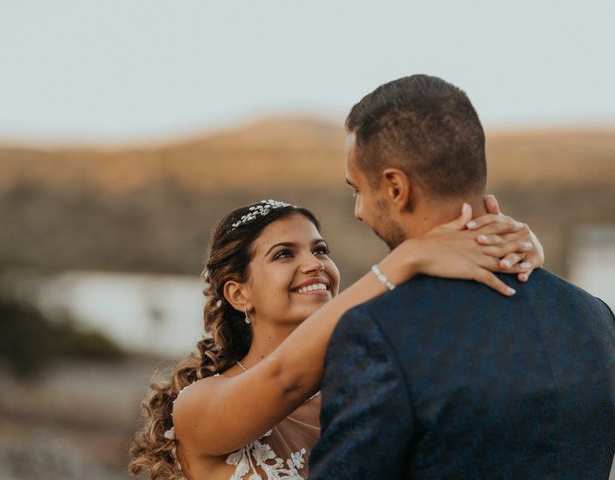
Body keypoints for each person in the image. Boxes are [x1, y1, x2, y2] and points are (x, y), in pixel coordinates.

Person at [308, 74, 615, 479]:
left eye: (358, 190)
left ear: (396, 188)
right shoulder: (595, 317)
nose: (359, 211)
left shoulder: (380, 332)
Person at [129, 195, 543, 480]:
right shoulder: (198, 406)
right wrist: (406, 260)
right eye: (285, 254)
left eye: (321, 249)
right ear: (239, 294)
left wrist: (512, 260)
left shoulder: (367, 393)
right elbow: (285, 377)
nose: (314, 264)